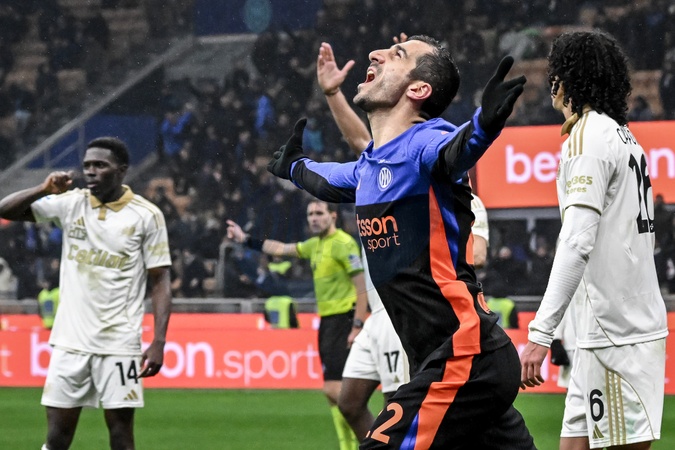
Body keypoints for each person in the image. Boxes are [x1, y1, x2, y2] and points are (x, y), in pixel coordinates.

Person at [267, 35, 533, 449]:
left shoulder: (425, 142)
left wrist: (485, 123)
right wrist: (295, 166)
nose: (374, 54)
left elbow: (457, 150)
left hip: (466, 357)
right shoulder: (369, 168)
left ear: (419, 89)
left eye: (397, 55)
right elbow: (327, 179)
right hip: (445, 363)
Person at [315, 38, 492, 441]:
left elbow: (476, 254)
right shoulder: (386, 168)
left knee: (405, 421)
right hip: (384, 316)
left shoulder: (461, 197)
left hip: (429, 322)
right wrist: (335, 94)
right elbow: (368, 147)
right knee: (351, 403)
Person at [519, 30, 668, 450]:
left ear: (566, 80)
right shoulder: (623, 136)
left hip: (615, 334)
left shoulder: (587, 137)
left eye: (555, 73)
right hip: (601, 334)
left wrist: (540, 333)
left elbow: (577, 241)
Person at [0, 137, 172, 450]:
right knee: (57, 436)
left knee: (121, 435)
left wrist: (159, 341)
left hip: (119, 344)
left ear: (121, 170)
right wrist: (43, 189)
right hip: (70, 343)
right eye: (87, 165)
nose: (91, 171)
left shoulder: (146, 215)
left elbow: (160, 281)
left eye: (100, 165)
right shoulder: (71, 203)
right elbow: (6, 209)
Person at [226, 200, 368, 450]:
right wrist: (245, 239)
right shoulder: (314, 245)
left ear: (333, 216)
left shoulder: (344, 244)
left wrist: (357, 324)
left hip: (343, 320)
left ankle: (372, 438)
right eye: (310, 214)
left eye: (319, 213)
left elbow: (361, 286)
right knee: (333, 395)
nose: (313, 218)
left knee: (335, 390)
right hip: (327, 322)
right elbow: (280, 248)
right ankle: (348, 446)